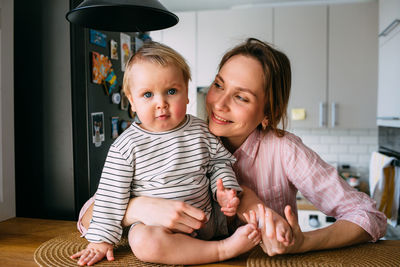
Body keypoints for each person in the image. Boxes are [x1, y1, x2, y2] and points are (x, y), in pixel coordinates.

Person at [77, 37, 386, 260]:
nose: (218, 103)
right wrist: (140, 208)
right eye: (219, 85)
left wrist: (303, 243)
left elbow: (369, 215)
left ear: (268, 111)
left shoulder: (284, 151)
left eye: (242, 97)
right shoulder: (170, 135)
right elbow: (90, 215)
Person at [71, 41, 265, 266]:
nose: (161, 103)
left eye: (171, 91)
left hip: (207, 221)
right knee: (142, 241)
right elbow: (110, 196)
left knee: (245, 203)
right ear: (131, 101)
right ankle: (221, 250)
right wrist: (101, 241)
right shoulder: (126, 147)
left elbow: (219, 162)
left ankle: (244, 237)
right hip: (162, 232)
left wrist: (224, 190)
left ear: (186, 93)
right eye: (147, 95)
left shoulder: (200, 130)